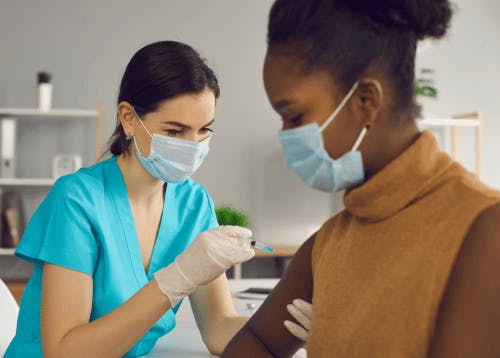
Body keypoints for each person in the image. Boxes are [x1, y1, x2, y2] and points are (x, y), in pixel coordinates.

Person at [223, 0, 500, 357]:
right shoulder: (331, 242)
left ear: (366, 101)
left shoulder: (483, 230)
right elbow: (258, 343)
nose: (286, 135)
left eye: (293, 116)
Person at [5, 41, 259, 357]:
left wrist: (289, 323)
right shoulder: (77, 200)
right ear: (128, 118)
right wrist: (173, 281)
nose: (193, 146)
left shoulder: (194, 204)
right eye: (175, 131)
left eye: (204, 130)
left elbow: (219, 330)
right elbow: (65, 352)